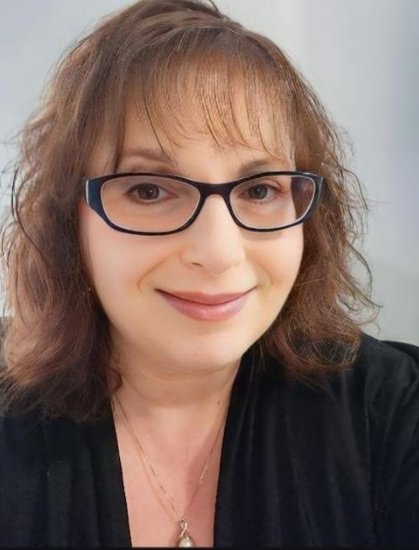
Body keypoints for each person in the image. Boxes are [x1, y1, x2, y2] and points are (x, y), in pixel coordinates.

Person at [0, 0, 418, 547]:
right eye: (149, 190)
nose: (219, 253)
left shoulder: (391, 414)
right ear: (68, 219)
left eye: (260, 189)